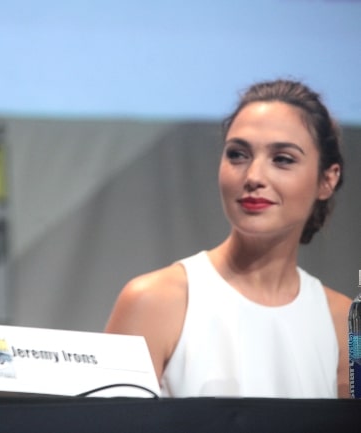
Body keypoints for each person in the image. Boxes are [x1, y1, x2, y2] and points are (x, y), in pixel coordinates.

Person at [105, 79, 350, 398]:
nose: (253, 177)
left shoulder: (344, 323)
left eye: (283, 159)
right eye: (238, 154)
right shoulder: (154, 302)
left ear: (327, 180)